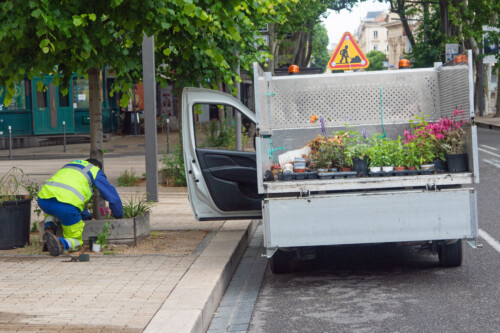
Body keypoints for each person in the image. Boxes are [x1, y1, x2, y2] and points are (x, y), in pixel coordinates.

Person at [37, 158, 123, 257]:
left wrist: (88, 217)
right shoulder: (95, 171)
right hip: (67, 206)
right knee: (76, 241)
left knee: (52, 210)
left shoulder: (72, 164)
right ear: (98, 167)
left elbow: (73, 199)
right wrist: (118, 215)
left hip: (43, 199)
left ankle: (49, 228)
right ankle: (59, 242)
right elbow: (112, 196)